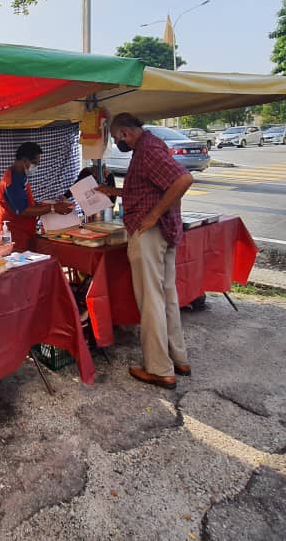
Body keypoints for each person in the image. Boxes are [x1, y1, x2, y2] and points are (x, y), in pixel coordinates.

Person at [97, 114, 194, 389]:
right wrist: (111, 191)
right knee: (167, 296)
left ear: (126, 133)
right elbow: (146, 190)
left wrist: (152, 216)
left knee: (151, 300)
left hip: (152, 232)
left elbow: (183, 180)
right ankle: (178, 358)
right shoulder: (150, 147)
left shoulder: (148, 150)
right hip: (164, 230)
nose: (117, 143)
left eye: (117, 139)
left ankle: (159, 368)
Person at [0, 141, 74, 251]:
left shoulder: (20, 175)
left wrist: (40, 205)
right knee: (19, 266)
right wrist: (52, 208)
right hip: (12, 234)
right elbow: (23, 210)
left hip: (24, 230)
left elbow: (23, 201)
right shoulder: (12, 181)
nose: (36, 167)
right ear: (24, 160)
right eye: (35, 163)